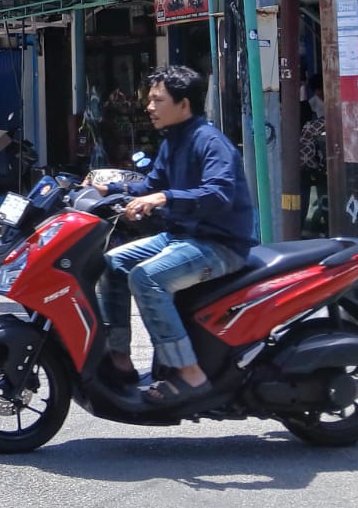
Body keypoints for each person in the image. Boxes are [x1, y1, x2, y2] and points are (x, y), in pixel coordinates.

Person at [99, 65, 256, 406]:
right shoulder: (174, 140)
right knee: (112, 263)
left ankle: (189, 373)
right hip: (182, 237)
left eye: (157, 100)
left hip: (219, 244)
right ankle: (119, 359)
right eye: (149, 100)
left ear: (183, 104)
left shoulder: (210, 142)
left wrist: (165, 198)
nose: (149, 107)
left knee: (146, 278)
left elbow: (218, 195)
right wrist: (105, 188)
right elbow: (149, 185)